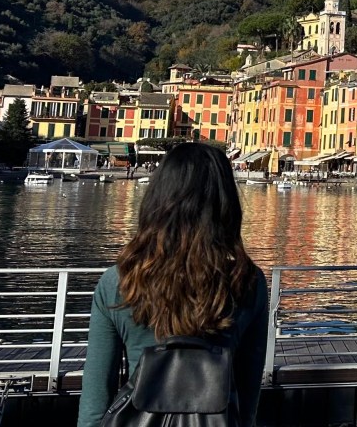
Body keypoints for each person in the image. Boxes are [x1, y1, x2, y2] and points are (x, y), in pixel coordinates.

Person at [77, 143, 269, 427]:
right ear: (226, 203)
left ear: (157, 197)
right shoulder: (248, 281)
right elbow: (247, 396)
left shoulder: (119, 281)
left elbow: (95, 400)